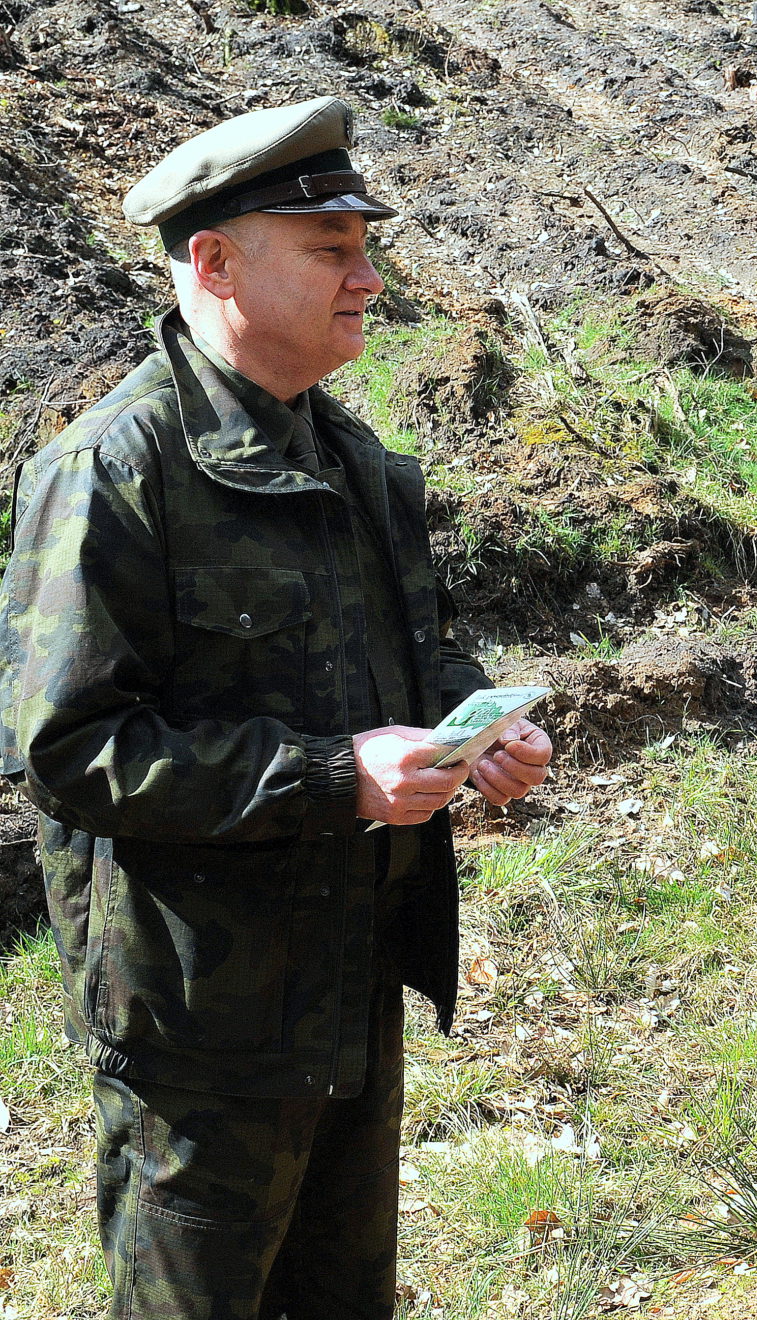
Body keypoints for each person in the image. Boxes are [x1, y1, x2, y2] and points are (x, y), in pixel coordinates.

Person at [0, 96, 554, 1318]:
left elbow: (413, 654)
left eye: (365, 248)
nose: (369, 280)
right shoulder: (114, 470)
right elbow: (67, 748)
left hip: (349, 990)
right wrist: (335, 778)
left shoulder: (349, 457)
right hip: (202, 1031)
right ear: (214, 263)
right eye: (330, 250)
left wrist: (476, 725)